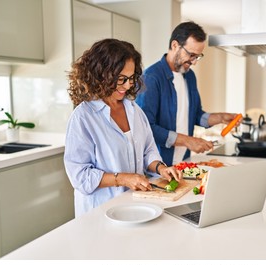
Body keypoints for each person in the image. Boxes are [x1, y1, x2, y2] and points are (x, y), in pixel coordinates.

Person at [64, 38, 182, 217]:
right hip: (99, 212)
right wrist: (123, 178)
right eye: (122, 79)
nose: (128, 85)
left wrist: (161, 168)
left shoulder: (134, 110)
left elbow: (148, 150)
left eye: (131, 78)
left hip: (134, 206)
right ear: (102, 74)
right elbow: (80, 176)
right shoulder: (83, 117)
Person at [136, 21, 241, 166]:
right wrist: (188, 140)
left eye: (197, 56)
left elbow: (196, 115)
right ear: (174, 45)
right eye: (191, 55)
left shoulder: (189, 76)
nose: (194, 62)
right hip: (157, 166)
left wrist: (222, 118)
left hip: (183, 162)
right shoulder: (151, 78)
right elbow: (145, 127)